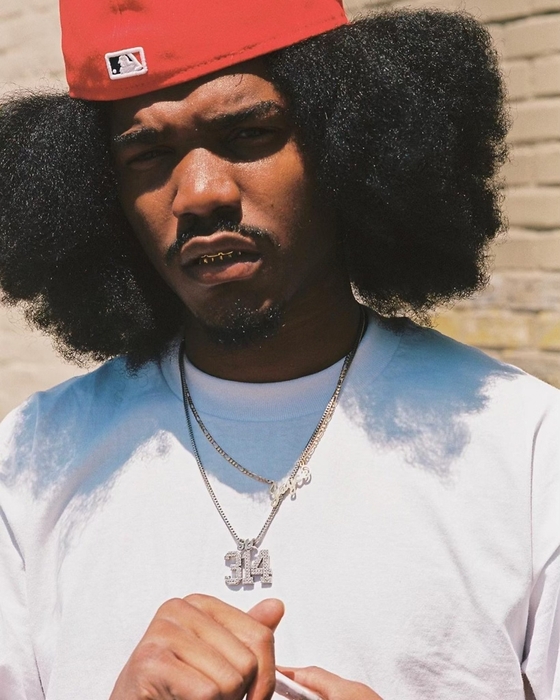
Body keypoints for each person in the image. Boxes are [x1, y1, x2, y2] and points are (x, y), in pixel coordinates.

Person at [0, 0, 558, 698]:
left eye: (248, 134)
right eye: (148, 154)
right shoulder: (30, 461)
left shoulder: (528, 447)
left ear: (348, 140)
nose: (200, 194)